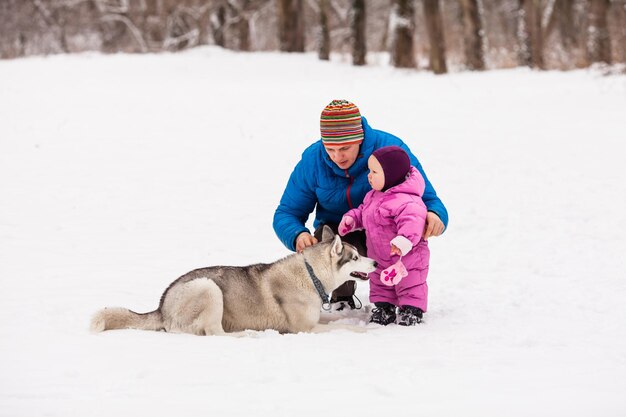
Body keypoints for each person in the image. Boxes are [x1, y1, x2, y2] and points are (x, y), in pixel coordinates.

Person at [273, 99, 448, 310]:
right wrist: (297, 235)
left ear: (360, 139)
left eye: (345, 148)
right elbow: (287, 212)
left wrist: (434, 214)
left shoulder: (390, 151)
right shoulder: (313, 160)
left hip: (388, 232)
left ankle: (406, 300)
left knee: (406, 239)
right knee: (327, 239)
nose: (337, 156)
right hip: (341, 232)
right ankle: (340, 296)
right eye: (330, 149)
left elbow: (427, 196)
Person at [339, 146, 429, 325]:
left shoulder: (407, 200)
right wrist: (353, 219)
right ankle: (383, 307)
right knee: (380, 282)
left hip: (406, 257)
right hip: (379, 254)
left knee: (410, 283)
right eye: (369, 171)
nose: (369, 176)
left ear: (391, 175)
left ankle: (412, 309)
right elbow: (365, 212)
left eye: (374, 172)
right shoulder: (373, 196)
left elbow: (413, 222)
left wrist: (403, 240)